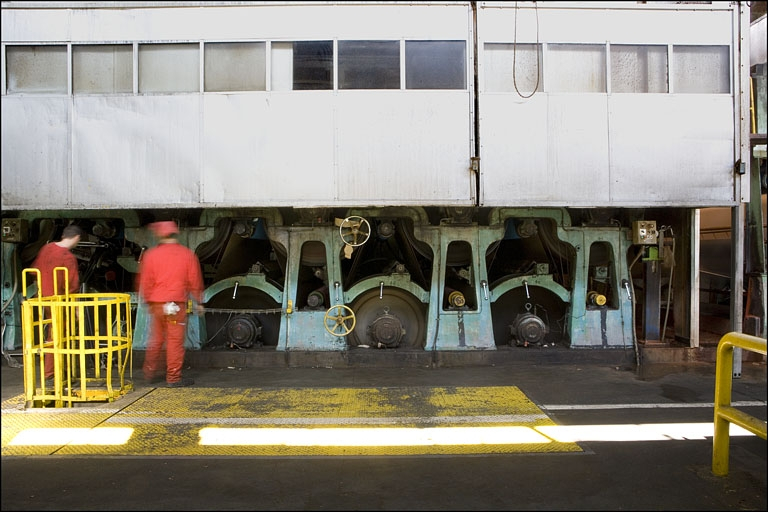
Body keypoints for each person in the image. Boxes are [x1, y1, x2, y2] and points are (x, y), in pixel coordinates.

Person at [137, 221, 205, 388]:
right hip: (176, 305)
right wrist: (199, 302)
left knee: (156, 339)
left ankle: (149, 374)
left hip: (157, 304)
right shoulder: (187, 254)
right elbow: (194, 281)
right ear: (176, 235)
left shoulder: (151, 255)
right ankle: (173, 378)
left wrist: (148, 301)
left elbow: (145, 281)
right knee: (174, 342)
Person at [30, 224, 85, 381]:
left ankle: (55, 371)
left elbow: (34, 270)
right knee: (59, 336)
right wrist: (76, 310)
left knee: (52, 334)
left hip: (45, 299)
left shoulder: (46, 248)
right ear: (77, 238)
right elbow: (72, 285)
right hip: (61, 302)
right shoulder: (68, 257)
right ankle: (52, 373)